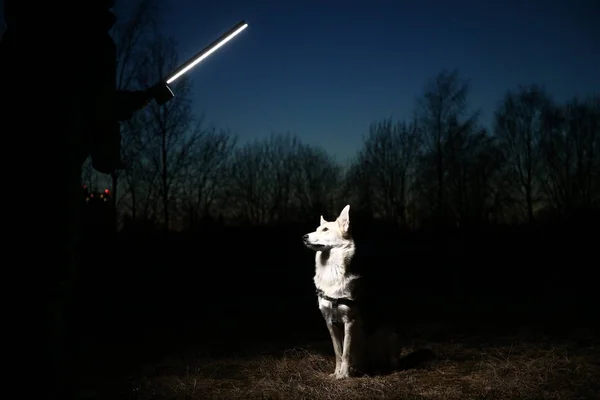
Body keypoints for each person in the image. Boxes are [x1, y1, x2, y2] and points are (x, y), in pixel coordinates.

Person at [1, 1, 155, 397]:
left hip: (16, 162)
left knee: (21, 275)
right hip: (52, 165)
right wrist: (108, 149)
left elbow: (83, 97)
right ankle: (41, 375)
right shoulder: (91, 38)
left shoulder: (25, 27)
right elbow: (94, 105)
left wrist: (132, 100)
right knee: (48, 275)